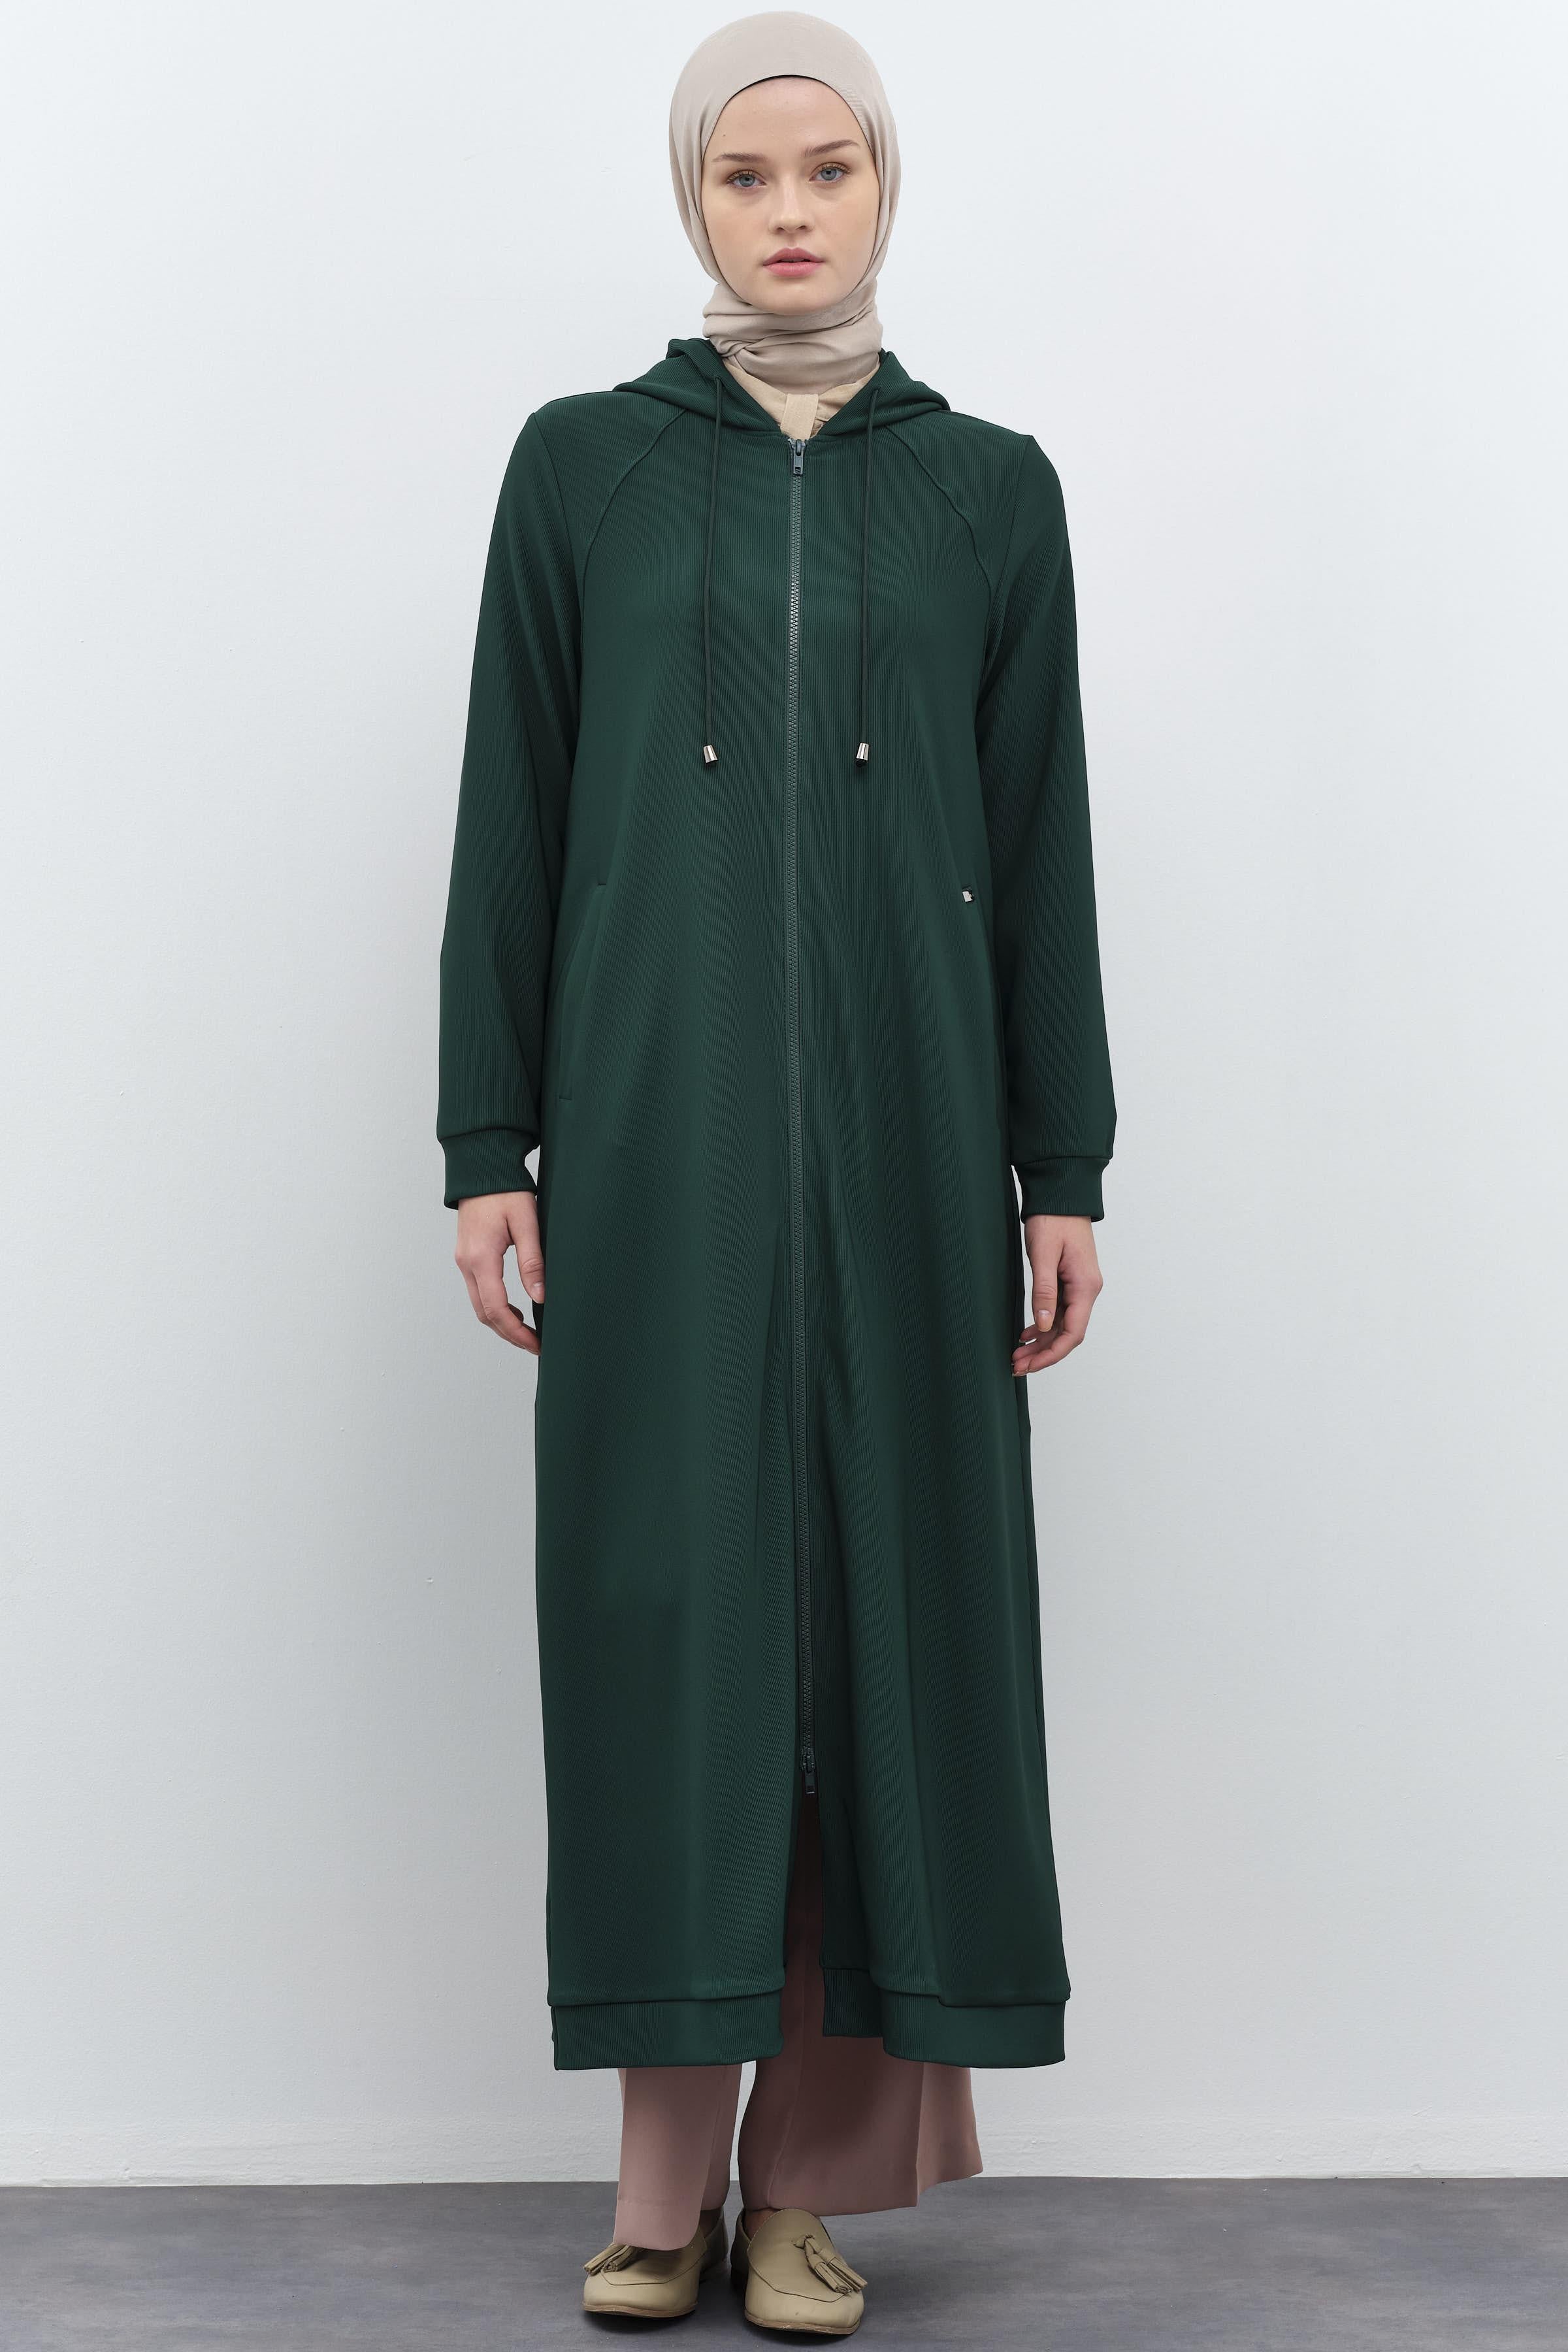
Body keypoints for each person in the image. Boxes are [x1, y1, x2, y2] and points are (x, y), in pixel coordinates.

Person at [436, 10, 1115, 2333]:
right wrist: (489, 1139)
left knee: (885, 1643)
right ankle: (661, 2190)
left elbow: (1041, 845)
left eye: (832, 168)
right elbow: (513, 816)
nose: (793, 211)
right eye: (748, 175)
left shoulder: (989, 490)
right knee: (672, 1639)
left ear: (887, 187)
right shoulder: (586, 471)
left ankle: (810, 2183)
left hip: (918, 1157)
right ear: (692, 200)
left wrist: (1059, 1163)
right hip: (649, 1144)